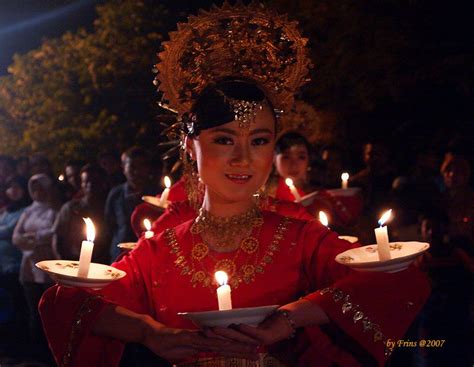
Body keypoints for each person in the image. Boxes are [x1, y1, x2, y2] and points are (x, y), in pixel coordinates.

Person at [39, 4, 429, 367]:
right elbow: (65, 302)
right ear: (190, 147)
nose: (243, 158)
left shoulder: (300, 238)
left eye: (259, 141)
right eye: (224, 140)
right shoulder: (160, 251)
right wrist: (148, 332)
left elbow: (395, 279)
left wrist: (291, 318)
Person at [13, 174, 59, 347]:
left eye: (40, 187)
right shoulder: (28, 211)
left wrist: (31, 238)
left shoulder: (55, 210)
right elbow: (16, 237)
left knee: (50, 308)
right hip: (29, 264)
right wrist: (35, 239)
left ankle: (52, 347)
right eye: (33, 188)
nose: (37, 192)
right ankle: (35, 346)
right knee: (33, 308)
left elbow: (53, 232)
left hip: (48, 263)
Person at [105, 146, 158, 260]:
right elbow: (109, 224)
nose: (137, 171)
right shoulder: (116, 194)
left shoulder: (157, 195)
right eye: (132, 166)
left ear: (148, 168)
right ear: (124, 168)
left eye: (142, 166)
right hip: (120, 254)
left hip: (148, 254)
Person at [53, 163, 111, 264]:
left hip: (102, 263)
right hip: (72, 262)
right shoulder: (70, 208)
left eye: (95, 181)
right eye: (86, 181)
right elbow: (58, 237)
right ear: (81, 184)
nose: (90, 185)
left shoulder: (110, 208)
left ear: (103, 183)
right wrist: (61, 262)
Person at [0, 176, 31, 343]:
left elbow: (10, 231)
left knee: (15, 302)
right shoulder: (7, 210)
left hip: (14, 262)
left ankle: (17, 339)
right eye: (10, 187)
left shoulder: (25, 210)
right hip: (1, 263)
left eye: (17, 187)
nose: (13, 190)